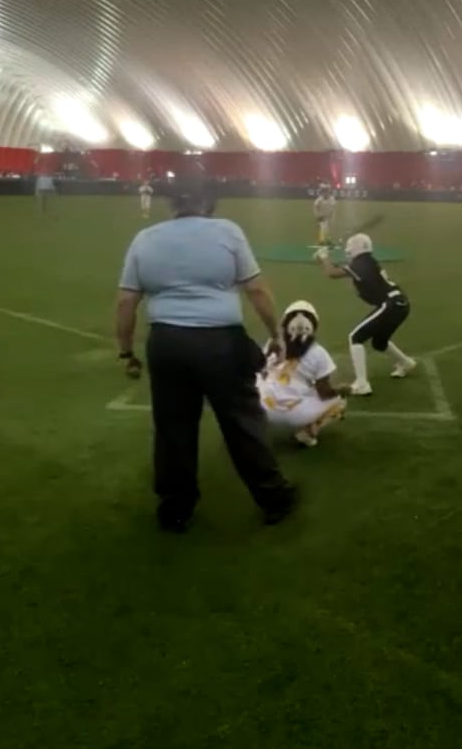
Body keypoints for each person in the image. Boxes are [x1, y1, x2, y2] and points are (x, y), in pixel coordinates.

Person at [116, 174, 297, 531]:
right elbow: (256, 290)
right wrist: (275, 334)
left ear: (170, 203)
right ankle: (273, 498)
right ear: (208, 202)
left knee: (173, 428)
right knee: (242, 422)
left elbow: (126, 302)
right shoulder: (227, 232)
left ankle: (175, 509)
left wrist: (126, 352)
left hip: (167, 343)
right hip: (221, 343)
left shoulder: (144, 239)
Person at [318, 233, 418, 396]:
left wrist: (323, 257)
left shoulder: (361, 263)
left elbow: (332, 273)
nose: (348, 249)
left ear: (358, 247)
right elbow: (340, 269)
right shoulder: (366, 262)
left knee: (355, 337)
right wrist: (324, 260)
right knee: (379, 342)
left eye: (350, 246)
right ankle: (405, 362)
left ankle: (362, 383)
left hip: (391, 304)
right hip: (400, 304)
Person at [258, 300, 348, 448]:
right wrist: (342, 390)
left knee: (261, 380)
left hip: (259, 407)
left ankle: (248, 426)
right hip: (292, 415)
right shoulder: (318, 352)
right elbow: (324, 392)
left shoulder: (272, 343)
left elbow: (260, 369)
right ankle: (307, 433)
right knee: (339, 401)